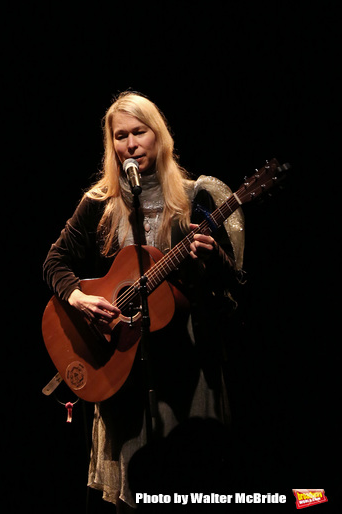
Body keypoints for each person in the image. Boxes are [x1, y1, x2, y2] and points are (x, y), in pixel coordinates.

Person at [43, 92, 244, 511]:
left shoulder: (195, 197)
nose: (130, 143)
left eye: (139, 132)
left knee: (189, 481)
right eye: (120, 136)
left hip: (187, 360)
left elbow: (233, 281)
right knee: (136, 491)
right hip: (125, 359)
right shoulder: (99, 202)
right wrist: (79, 297)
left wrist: (210, 257)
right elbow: (54, 261)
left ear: (159, 137)